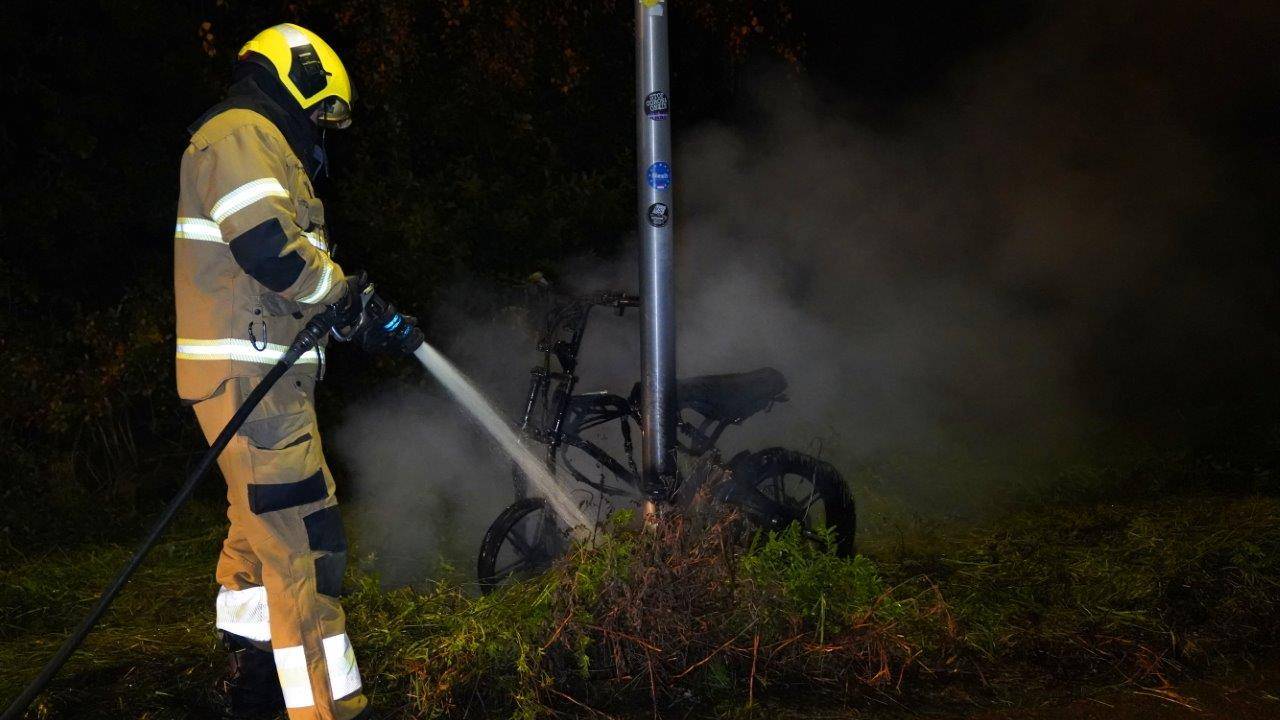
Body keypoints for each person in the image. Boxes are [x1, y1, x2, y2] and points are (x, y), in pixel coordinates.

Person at [174, 23, 421, 720]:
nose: (320, 128)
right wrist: (342, 296)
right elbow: (268, 248)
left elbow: (275, 265)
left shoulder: (251, 141)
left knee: (256, 541)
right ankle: (328, 710)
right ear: (301, 75)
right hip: (255, 386)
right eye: (320, 112)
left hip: (253, 381)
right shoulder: (242, 134)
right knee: (306, 549)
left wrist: (348, 309)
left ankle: (253, 687)